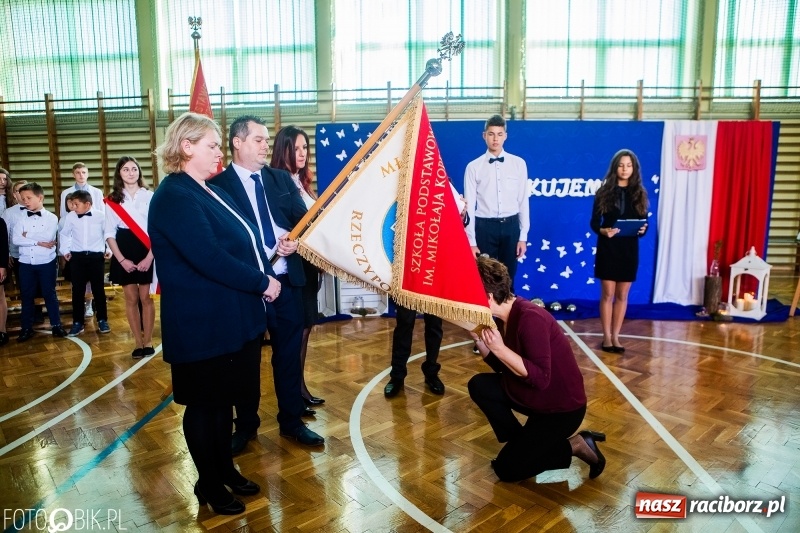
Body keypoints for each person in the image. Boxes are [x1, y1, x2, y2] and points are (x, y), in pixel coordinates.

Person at [150, 112, 274, 516]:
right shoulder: (173, 195)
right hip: (200, 324)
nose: (219, 152)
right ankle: (208, 482)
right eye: (212, 145)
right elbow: (209, 257)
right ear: (186, 147)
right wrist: (261, 282)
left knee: (222, 404)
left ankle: (224, 469)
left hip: (225, 321)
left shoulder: (201, 189)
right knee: (204, 407)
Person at [212, 115, 324, 453]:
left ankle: (291, 421)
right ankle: (245, 425)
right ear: (237, 142)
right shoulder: (218, 186)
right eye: (258, 140)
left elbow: (303, 222)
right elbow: (220, 241)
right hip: (248, 288)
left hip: (288, 282)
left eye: (266, 140)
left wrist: (296, 240)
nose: (265, 146)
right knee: (245, 361)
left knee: (288, 356)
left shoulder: (280, 180)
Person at [468, 256, 606, 482]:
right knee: (480, 385)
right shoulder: (504, 316)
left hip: (560, 409)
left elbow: (540, 378)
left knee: (507, 470)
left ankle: (578, 444)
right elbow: (503, 367)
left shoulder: (530, 318)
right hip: (534, 395)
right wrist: (482, 342)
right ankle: (522, 444)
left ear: (488, 297)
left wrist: (500, 348)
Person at [269, 125, 325, 408]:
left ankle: (299, 388)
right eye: (296, 148)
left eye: (305, 148)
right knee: (295, 334)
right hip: (292, 269)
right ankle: (294, 393)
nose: (302, 154)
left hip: (309, 267)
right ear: (283, 150)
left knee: (305, 331)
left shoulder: (303, 183)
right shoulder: (276, 183)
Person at [590, 149, 649, 353]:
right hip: (609, 248)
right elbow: (594, 223)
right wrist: (603, 230)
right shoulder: (604, 192)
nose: (625, 169)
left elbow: (644, 222)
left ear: (634, 169)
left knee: (623, 295)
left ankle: (616, 336)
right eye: (621, 165)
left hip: (629, 249)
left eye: (629, 165)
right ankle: (606, 337)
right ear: (615, 167)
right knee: (608, 294)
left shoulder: (640, 193)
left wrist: (643, 229)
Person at [464, 114, 530, 286]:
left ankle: (508, 313)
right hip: (484, 227)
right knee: (486, 279)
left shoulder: (519, 164)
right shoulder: (473, 167)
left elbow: (523, 201)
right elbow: (469, 207)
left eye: (499, 134)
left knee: (509, 277)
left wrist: (523, 236)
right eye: (491, 134)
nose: (495, 139)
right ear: (484, 135)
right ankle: (488, 314)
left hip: (511, 226)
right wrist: (471, 242)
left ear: (505, 136)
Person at [104, 156, 155, 359]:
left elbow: (157, 230)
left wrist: (149, 258)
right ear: (119, 173)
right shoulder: (113, 200)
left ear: (139, 172)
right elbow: (109, 233)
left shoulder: (150, 196)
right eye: (126, 169)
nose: (131, 173)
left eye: (134, 169)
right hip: (123, 249)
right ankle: (137, 342)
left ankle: (149, 340)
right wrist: (121, 259)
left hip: (147, 249)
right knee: (131, 298)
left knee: (146, 298)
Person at [13, 183, 67, 341]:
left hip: (46, 262)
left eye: (29, 198)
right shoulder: (20, 218)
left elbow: (47, 238)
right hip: (25, 263)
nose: (25, 201)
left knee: (50, 294)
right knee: (27, 296)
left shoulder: (52, 217)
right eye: (23, 199)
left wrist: (27, 236)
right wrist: (36, 242)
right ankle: (26, 328)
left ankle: (56, 325)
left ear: (40, 197)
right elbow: (16, 239)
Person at [59, 190, 111, 336]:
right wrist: (65, 250)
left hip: (96, 257)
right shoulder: (70, 216)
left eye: (76, 204)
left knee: (98, 290)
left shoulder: (101, 216)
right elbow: (65, 234)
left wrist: (109, 250)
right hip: (77, 257)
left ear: (87, 204)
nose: (73, 207)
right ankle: (77, 322)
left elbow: (108, 234)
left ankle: (102, 319)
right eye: (72, 204)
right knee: (77, 291)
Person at [60, 162, 105, 319]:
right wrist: (65, 249)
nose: (81, 175)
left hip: (95, 247)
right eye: (78, 172)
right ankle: (78, 319)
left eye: (83, 172)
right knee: (77, 287)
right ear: (73, 174)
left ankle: (99, 316)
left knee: (98, 287)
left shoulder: (97, 193)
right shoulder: (67, 193)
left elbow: (105, 224)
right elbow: (63, 221)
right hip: (76, 247)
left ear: (87, 173)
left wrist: (108, 248)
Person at [383, 303, 444, 398]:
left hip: (435, 289)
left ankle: (431, 372)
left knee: (434, 325)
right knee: (404, 324)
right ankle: (397, 375)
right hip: (408, 288)